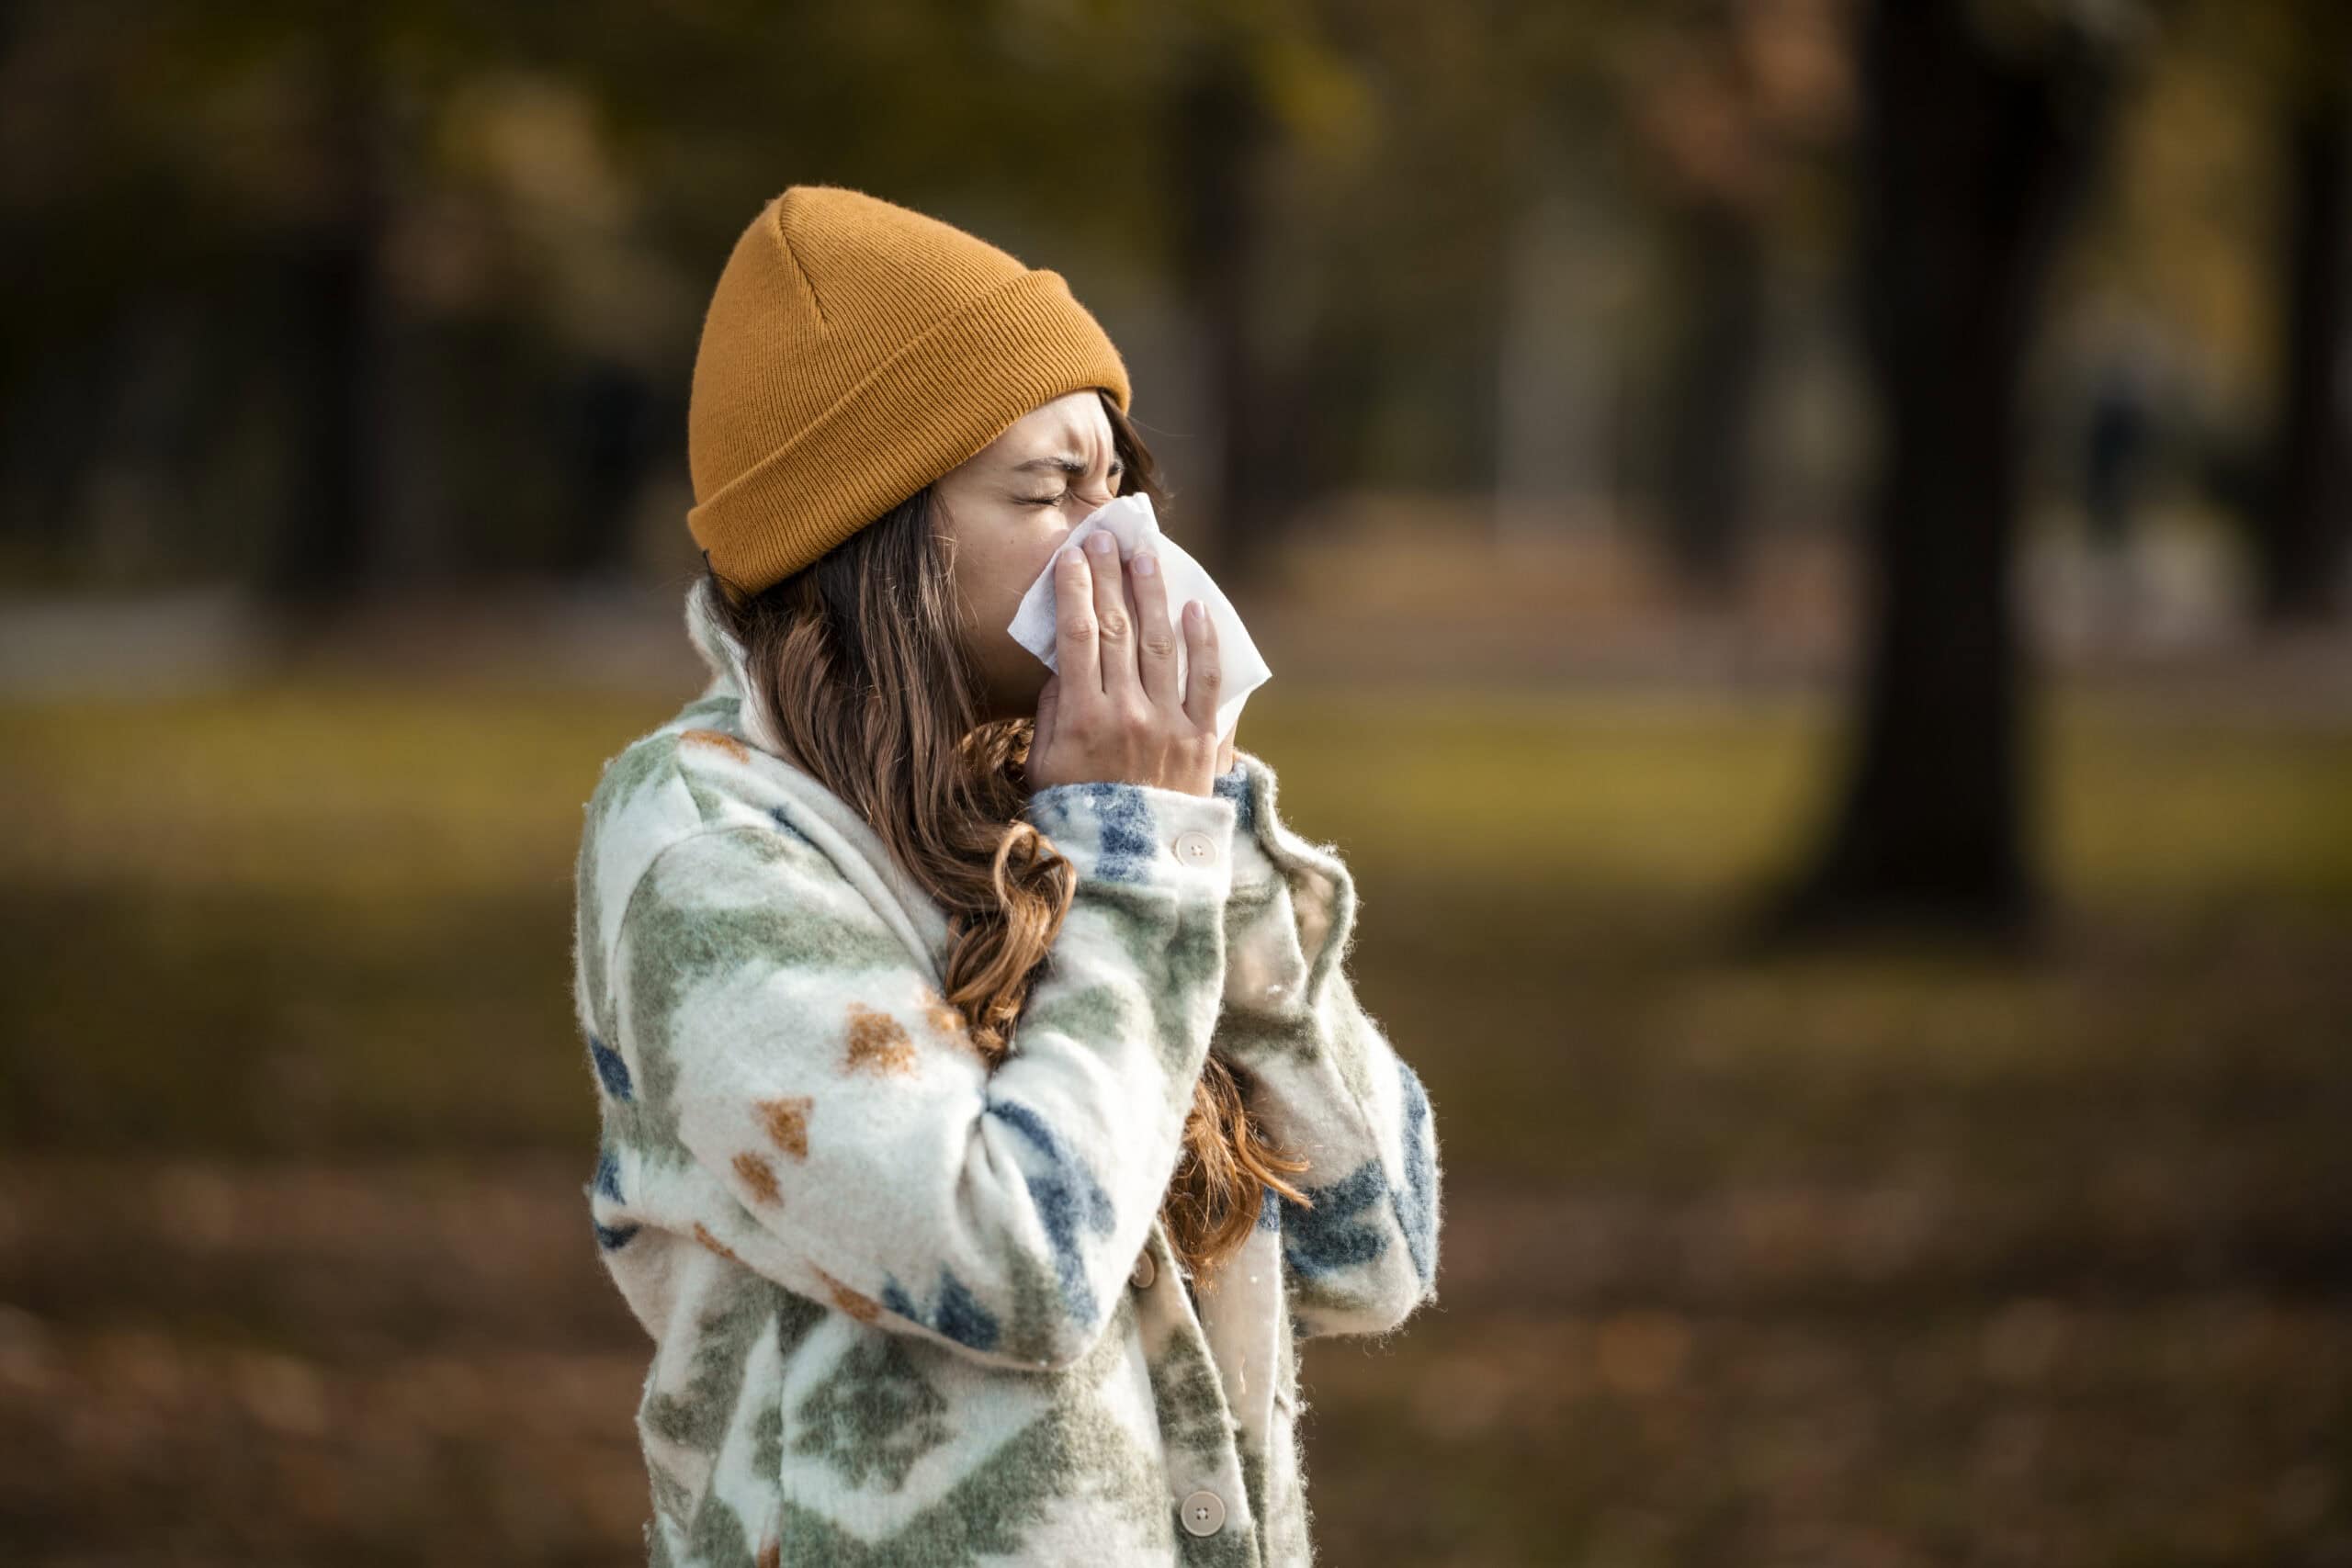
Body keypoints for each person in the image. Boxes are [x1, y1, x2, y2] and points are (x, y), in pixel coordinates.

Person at [571, 183, 1442, 1568]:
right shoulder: (704, 845)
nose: (1123, 550)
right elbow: (1013, 1263)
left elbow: (1371, 1249)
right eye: (1047, 491)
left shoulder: (1067, 807)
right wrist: (1141, 862)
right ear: (873, 541)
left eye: (1119, 487)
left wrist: (1204, 835)